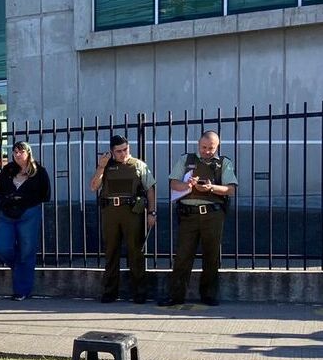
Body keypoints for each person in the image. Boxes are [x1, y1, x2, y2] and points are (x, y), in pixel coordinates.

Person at [160, 131, 238, 307]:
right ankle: (176, 296)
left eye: (211, 148)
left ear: (217, 146)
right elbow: (173, 183)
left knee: (211, 256)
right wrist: (188, 185)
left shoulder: (223, 163)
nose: (207, 151)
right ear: (198, 144)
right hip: (189, 215)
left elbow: (230, 189)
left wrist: (211, 188)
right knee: (183, 256)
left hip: (212, 214)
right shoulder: (186, 160)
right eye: (204, 147)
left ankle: (208, 295)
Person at [89, 135, 157, 304]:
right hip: (110, 211)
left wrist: (152, 212)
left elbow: (150, 189)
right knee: (111, 252)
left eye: (125, 149)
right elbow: (93, 187)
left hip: (132, 211)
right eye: (118, 151)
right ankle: (110, 292)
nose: (123, 153)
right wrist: (101, 167)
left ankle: (139, 293)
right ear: (112, 151)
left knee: (136, 252)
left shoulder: (138, 165)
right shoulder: (106, 166)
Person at [0, 141, 50, 301]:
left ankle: (22, 290)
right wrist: (10, 198)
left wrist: (24, 198)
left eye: (21, 151)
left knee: (27, 250)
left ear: (28, 153)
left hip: (29, 213)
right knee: (1, 247)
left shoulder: (39, 171)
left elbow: (45, 194)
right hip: (7, 213)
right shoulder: (8, 170)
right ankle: (20, 269)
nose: (18, 154)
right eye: (15, 151)